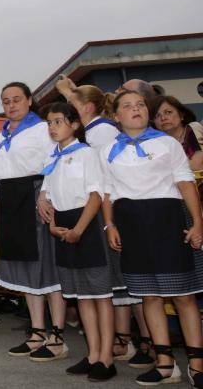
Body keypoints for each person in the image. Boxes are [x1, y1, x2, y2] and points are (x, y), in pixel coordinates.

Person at [102, 90, 203, 386]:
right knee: (149, 295)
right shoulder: (108, 149)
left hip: (167, 217)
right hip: (130, 221)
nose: (136, 110)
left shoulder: (166, 143)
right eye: (128, 106)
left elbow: (185, 182)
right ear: (117, 116)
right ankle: (164, 363)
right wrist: (110, 224)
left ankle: (197, 363)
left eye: (140, 105)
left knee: (183, 294)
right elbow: (107, 190)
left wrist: (198, 223)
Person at [67, 83, 151, 368]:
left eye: (73, 104)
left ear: (87, 107)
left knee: (128, 281)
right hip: (105, 210)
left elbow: (103, 177)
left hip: (111, 209)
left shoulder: (101, 130)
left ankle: (144, 342)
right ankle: (124, 340)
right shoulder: (93, 130)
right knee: (118, 283)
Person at [39, 102, 116, 381]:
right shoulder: (53, 157)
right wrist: (49, 218)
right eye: (49, 122)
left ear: (74, 124)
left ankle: (107, 357)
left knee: (100, 295)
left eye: (58, 121)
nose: (52, 127)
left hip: (85, 222)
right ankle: (93, 353)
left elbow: (96, 194)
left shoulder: (86, 154)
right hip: (63, 224)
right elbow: (47, 195)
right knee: (82, 296)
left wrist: (79, 229)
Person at [0, 82, 66, 361]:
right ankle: (36, 332)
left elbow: (53, 164)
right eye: (6, 100)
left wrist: (45, 197)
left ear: (30, 100)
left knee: (46, 266)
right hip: (9, 202)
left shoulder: (42, 129)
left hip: (36, 196)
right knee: (23, 268)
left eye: (16, 99)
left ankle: (57, 336)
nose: (11, 105)